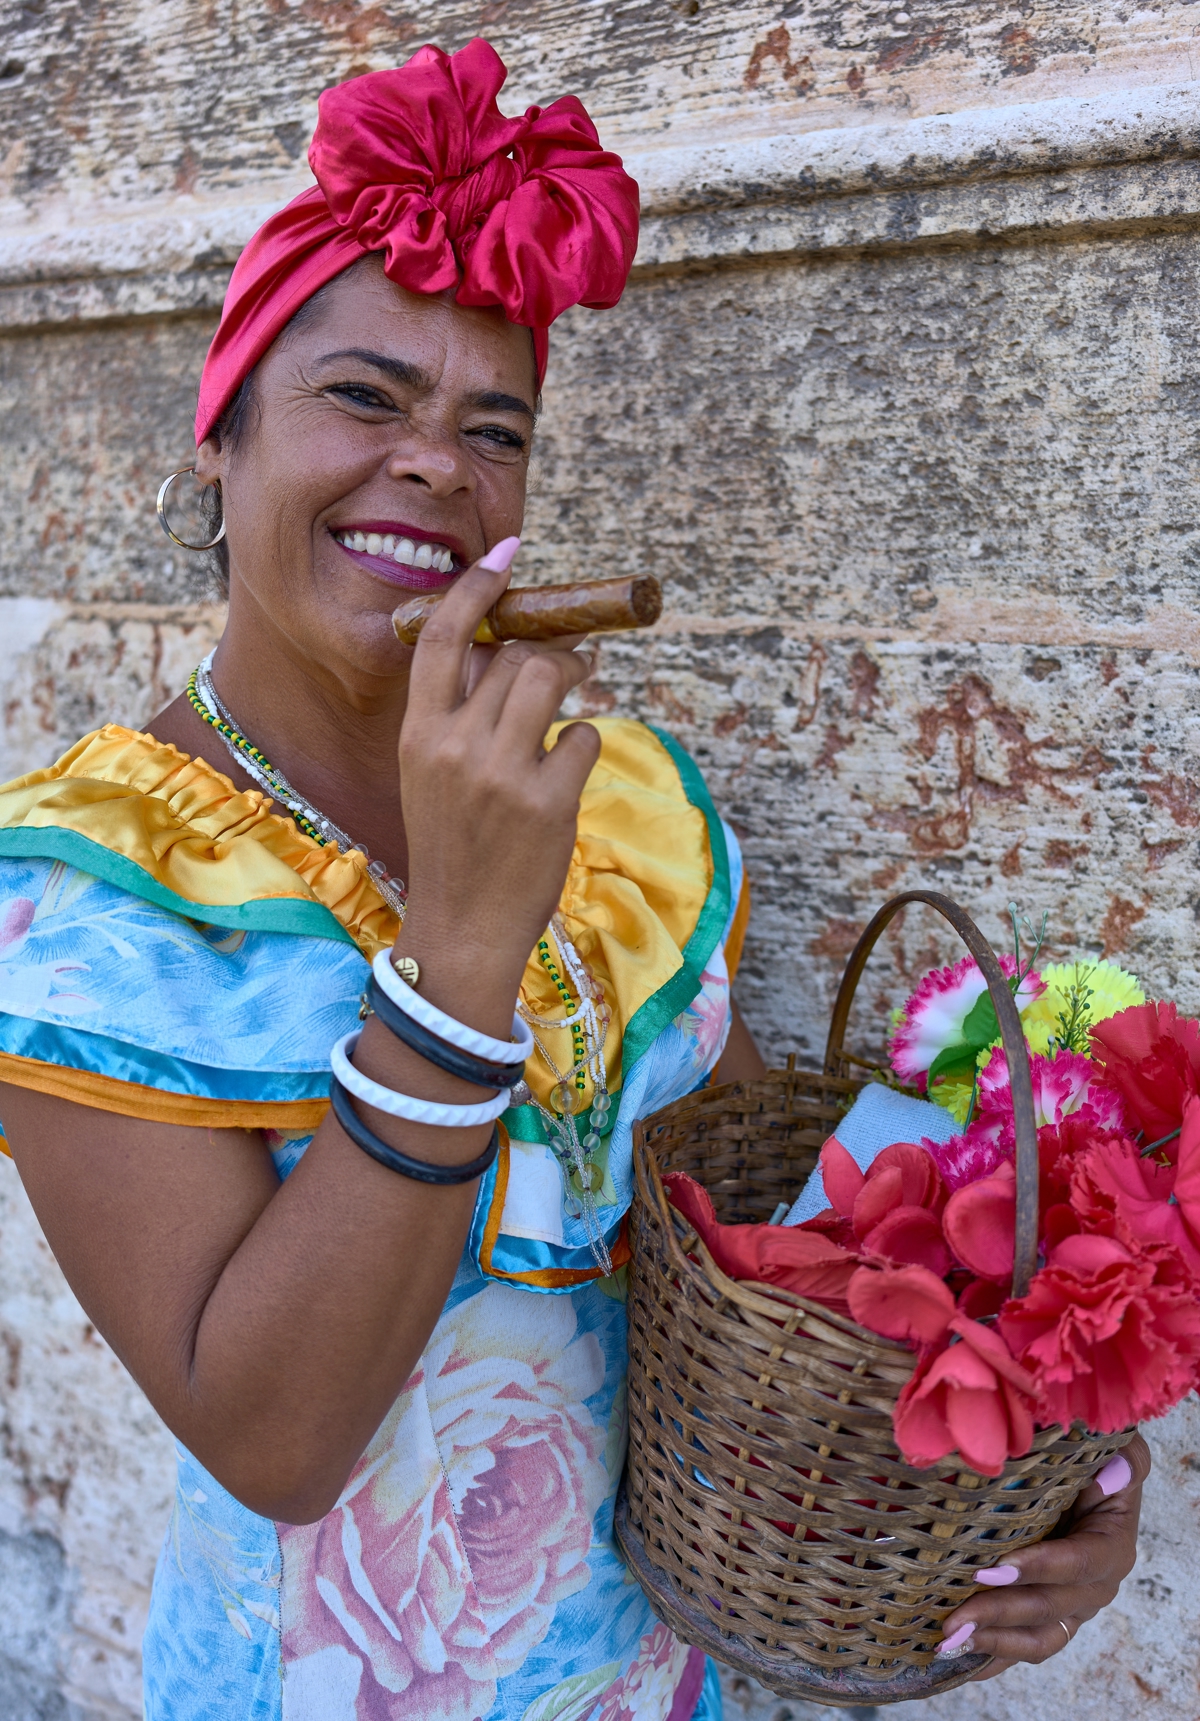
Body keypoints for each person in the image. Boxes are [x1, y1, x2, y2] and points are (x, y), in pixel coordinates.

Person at [0, 37, 1148, 1721]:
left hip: (653, 1677)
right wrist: (462, 950)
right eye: (363, 397)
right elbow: (276, 1438)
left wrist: (1037, 1454)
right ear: (219, 440)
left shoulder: (617, 806)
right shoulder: (89, 903)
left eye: (496, 429)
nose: (437, 465)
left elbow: (766, 1249)